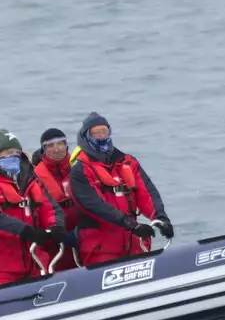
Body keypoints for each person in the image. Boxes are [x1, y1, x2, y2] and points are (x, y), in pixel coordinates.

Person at [68, 112, 174, 267]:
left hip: (134, 243)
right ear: (86, 136)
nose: (102, 136)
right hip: (102, 248)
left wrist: (161, 218)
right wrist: (131, 225)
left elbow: (147, 193)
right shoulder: (80, 171)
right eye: (96, 133)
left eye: (104, 132)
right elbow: (95, 206)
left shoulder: (128, 163)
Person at [0, 130, 64, 288]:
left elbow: (50, 208)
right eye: (7, 152)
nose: (13, 156)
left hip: (34, 259)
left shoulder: (31, 181)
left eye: (16, 152)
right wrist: (25, 231)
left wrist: (56, 226)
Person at [30, 127, 79, 270]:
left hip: (81, 230)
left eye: (60, 143)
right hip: (55, 236)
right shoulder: (35, 176)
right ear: (43, 150)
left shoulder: (79, 168)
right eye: (50, 145)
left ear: (66, 145)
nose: (56, 149)